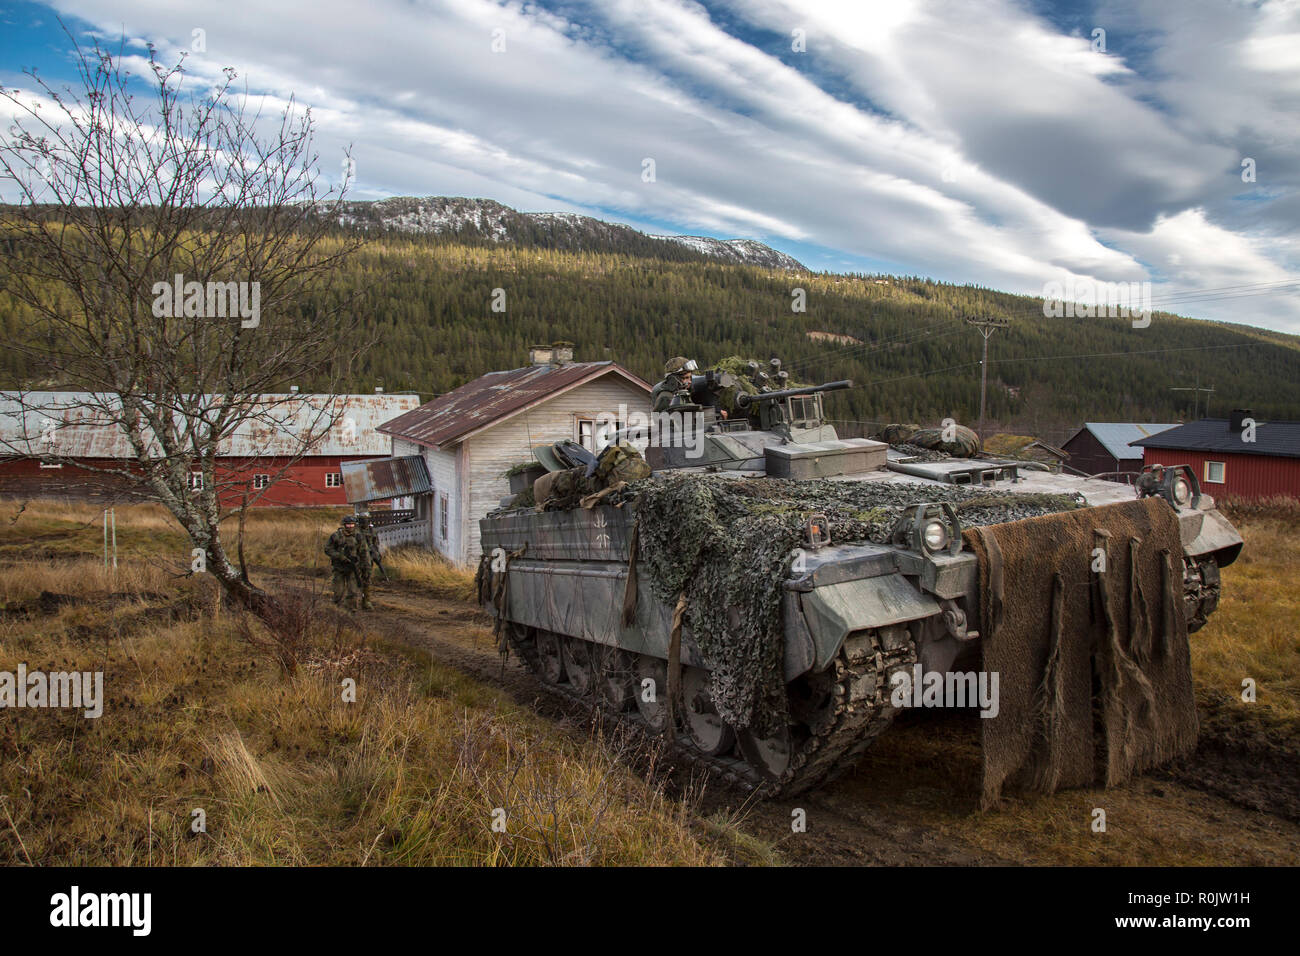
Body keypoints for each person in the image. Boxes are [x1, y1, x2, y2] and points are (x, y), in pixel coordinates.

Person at [324, 514, 369, 611]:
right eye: (348, 525)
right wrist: (340, 557)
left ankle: (352, 609)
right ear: (344, 525)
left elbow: (363, 552)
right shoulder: (336, 536)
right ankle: (335, 608)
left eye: (352, 524)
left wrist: (365, 566)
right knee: (338, 591)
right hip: (339, 567)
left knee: (353, 590)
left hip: (353, 568)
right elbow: (328, 549)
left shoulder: (358, 536)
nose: (350, 527)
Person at [356, 514, 381, 610]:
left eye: (366, 520)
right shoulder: (355, 531)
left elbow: (375, 544)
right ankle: (351, 601)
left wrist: (376, 554)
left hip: (368, 559)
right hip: (357, 559)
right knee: (353, 580)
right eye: (362, 520)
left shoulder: (372, 531)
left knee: (367, 579)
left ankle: (366, 601)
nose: (364, 522)